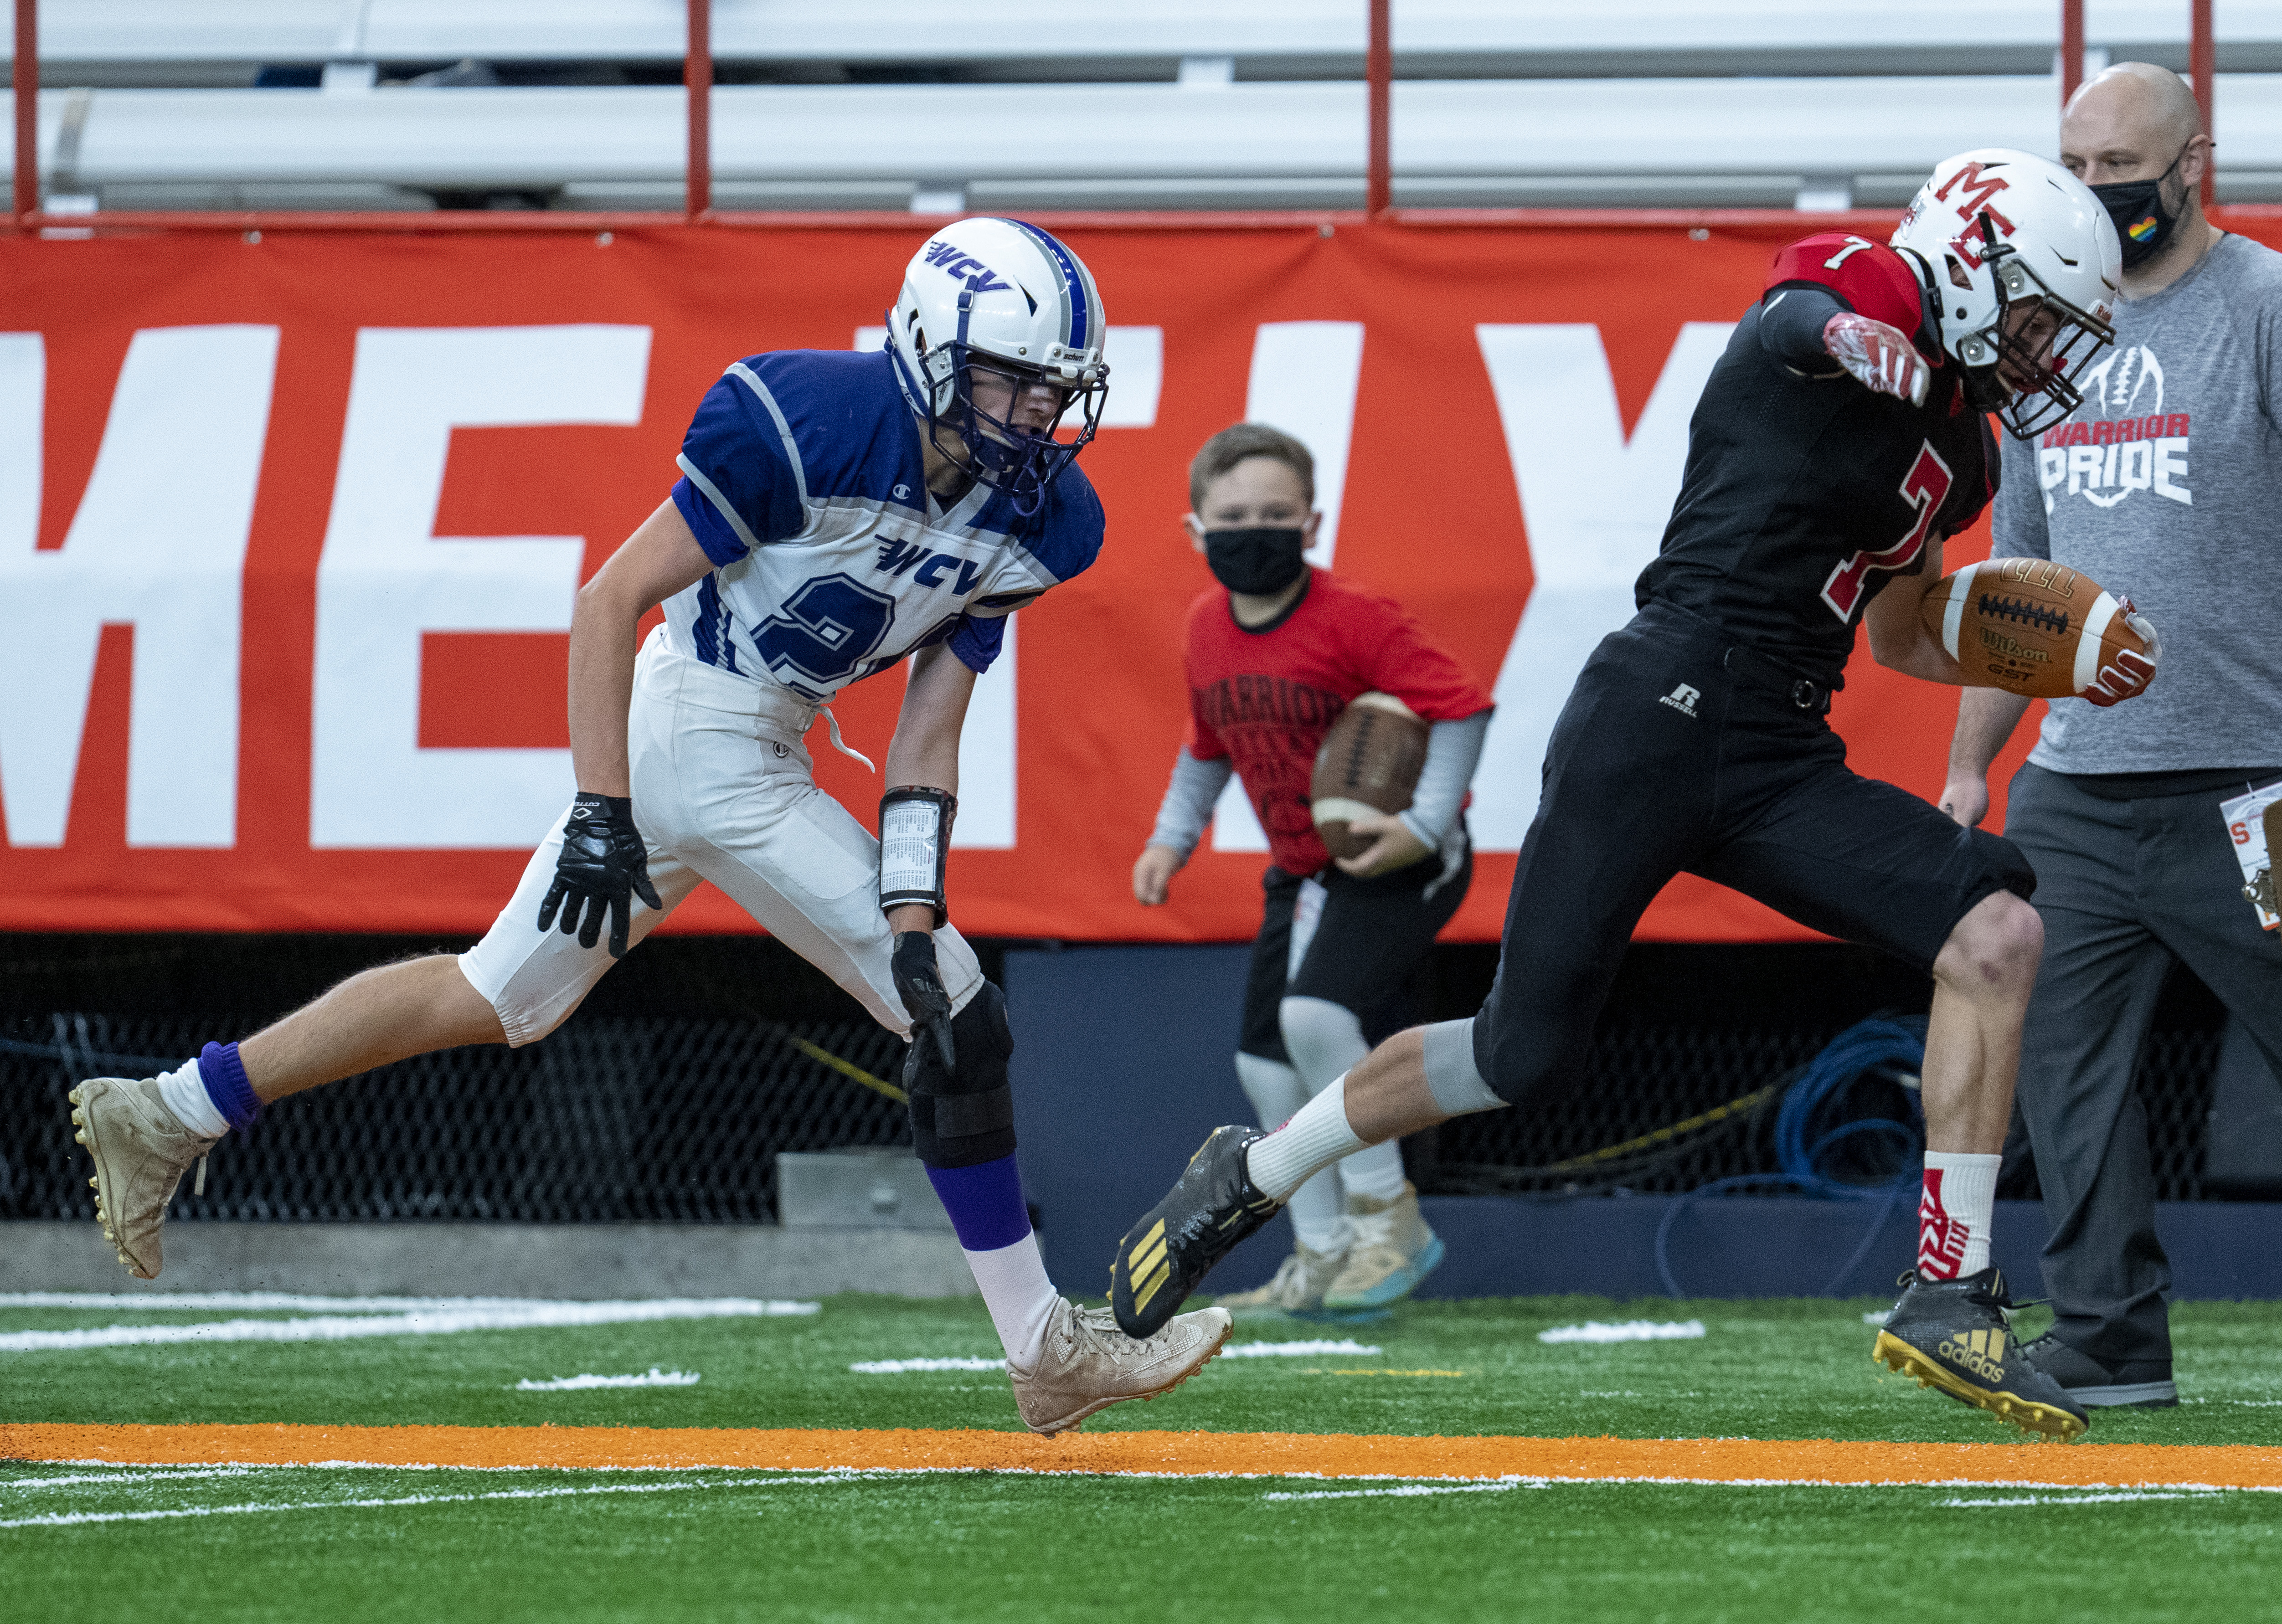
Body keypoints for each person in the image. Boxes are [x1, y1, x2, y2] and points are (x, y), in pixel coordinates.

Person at [67, 217, 1232, 1437]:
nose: (1039, 406)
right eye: (1016, 374)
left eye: (1057, 385)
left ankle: (170, 1110)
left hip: (752, 741)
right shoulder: (810, 419)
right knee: (961, 1013)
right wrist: (597, 808)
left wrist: (909, 907)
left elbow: (929, 735)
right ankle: (1044, 1349)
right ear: (932, 347)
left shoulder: (1043, 515)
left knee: (496, 995)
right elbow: (612, 595)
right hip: (701, 733)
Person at [1108, 149, 2151, 1442]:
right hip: (1657, 711)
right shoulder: (1860, 287)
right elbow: (1796, 309)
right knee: (1516, 1053)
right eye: (2043, 314)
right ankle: (1250, 1173)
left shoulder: (1964, 448)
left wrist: (2054, 651)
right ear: (1976, 259)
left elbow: (1904, 635)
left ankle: (1950, 1289)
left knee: (1998, 928)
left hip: (1777, 745)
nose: (2048, 351)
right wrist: (1860, 340)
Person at [1940, 64, 2282, 1412]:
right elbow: (2020, 569)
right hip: (2076, 791)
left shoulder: (2263, 309)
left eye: (2124, 170)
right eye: (2077, 169)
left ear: (2196, 160)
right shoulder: (2046, 333)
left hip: (2257, 776)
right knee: (2063, 1072)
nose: (2100, 195)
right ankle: (2110, 1337)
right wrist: (1975, 762)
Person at [1132, 423, 1493, 1314]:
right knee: (1263, 1062)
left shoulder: (1354, 617)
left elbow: (1461, 708)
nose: (1252, 529)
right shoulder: (1204, 627)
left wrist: (1422, 822)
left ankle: (1387, 1219)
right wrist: (1170, 837)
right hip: (1304, 870)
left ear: (1310, 522)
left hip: (1401, 857)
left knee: (1315, 1014)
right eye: (1233, 515)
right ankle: (1323, 1253)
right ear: (1194, 530)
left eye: (1273, 513)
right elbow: (1205, 747)